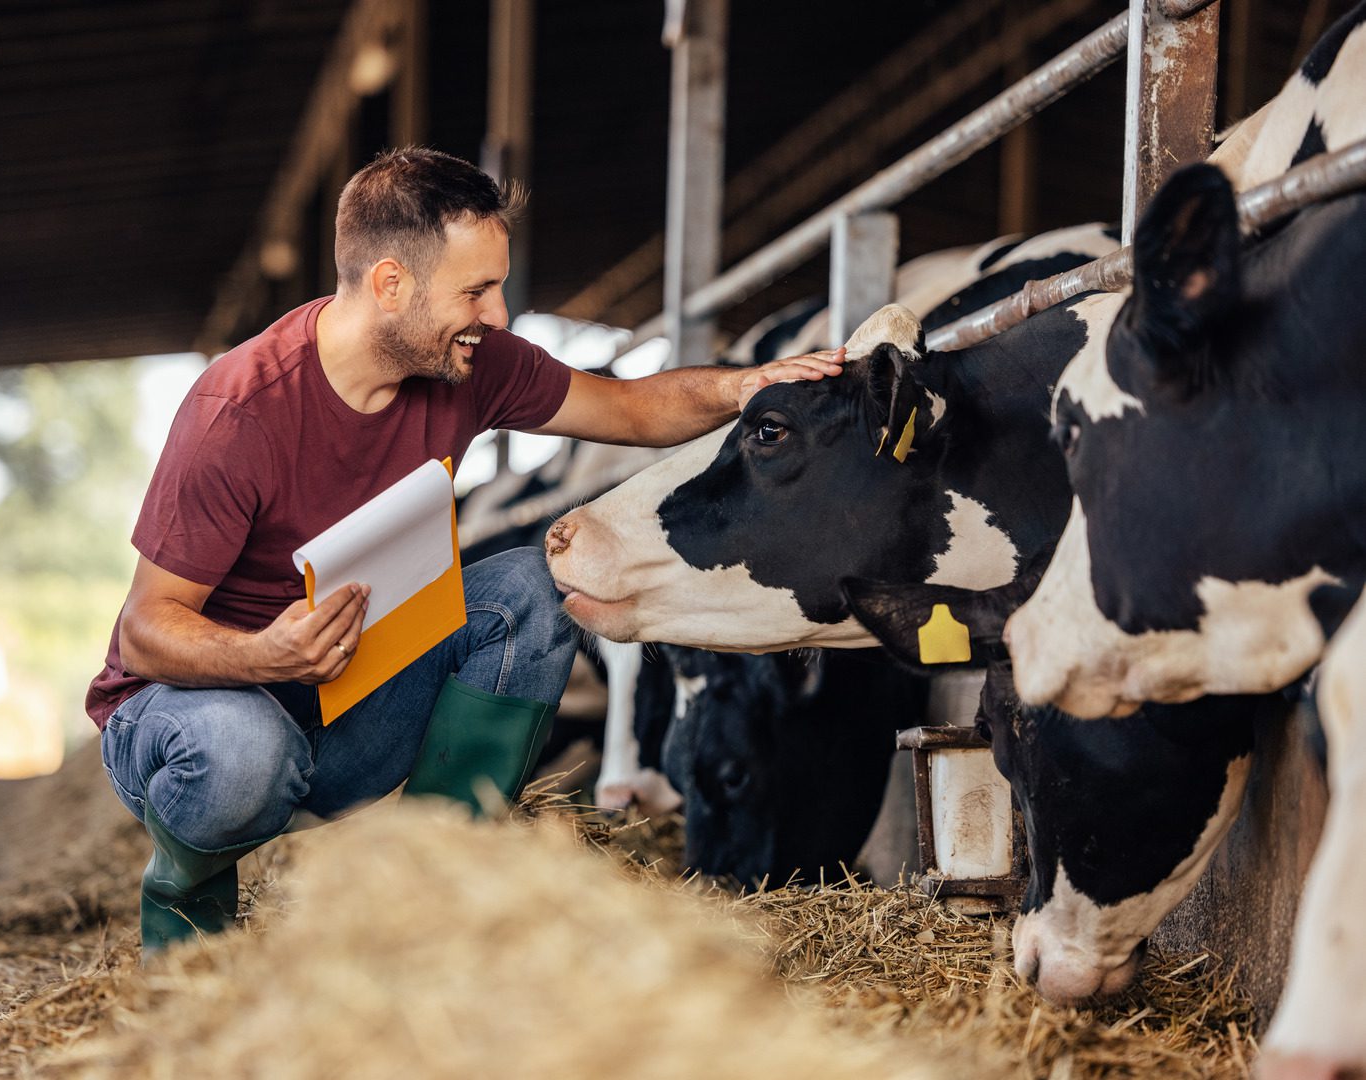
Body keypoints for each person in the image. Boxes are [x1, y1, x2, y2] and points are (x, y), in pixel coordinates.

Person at [85, 147, 845, 954]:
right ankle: (186, 916)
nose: (500, 313)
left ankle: (422, 895)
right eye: (476, 290)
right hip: (189, 719)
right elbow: (147, 631)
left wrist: (746, 387)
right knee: (243, 751)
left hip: (340, 696)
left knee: (531, 588)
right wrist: (266, 654)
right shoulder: (237, 414)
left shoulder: (471, 365)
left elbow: (630, 409)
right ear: (389, 285)